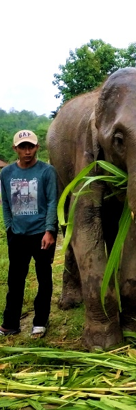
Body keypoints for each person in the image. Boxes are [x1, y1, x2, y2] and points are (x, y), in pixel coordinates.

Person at [0, 130, 58, 338]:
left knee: (44, 278)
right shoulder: (6, 174)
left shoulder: (46, 171)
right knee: (15, 279)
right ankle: (10, 323)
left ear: (37, 147)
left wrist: (49, 230)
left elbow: (52, 201)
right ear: (15, 148)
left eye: (30, 146)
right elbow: (5, 202)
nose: (27, 151)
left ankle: (40, 322)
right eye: (22, 147)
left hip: (42, 234)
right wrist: (9, 226)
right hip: (17, 234)